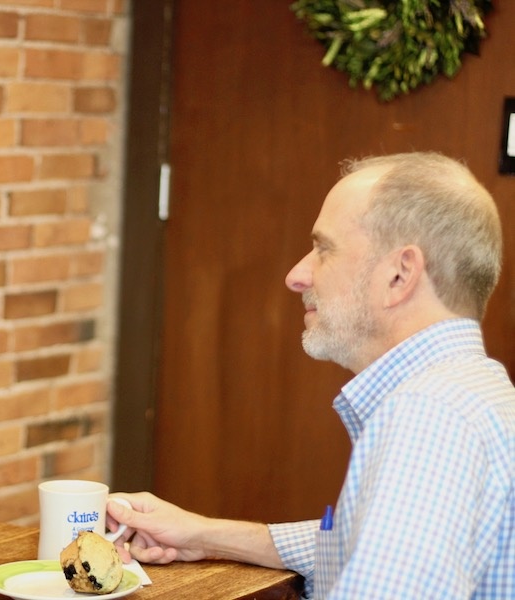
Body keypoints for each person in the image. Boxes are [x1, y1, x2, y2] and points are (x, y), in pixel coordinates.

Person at [105, 152, 515, 598]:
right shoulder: (478, 391)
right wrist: (202, 534)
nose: (296, 275)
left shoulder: (428, 416)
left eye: (324, 249)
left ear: (400, 275)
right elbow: (365, 548)